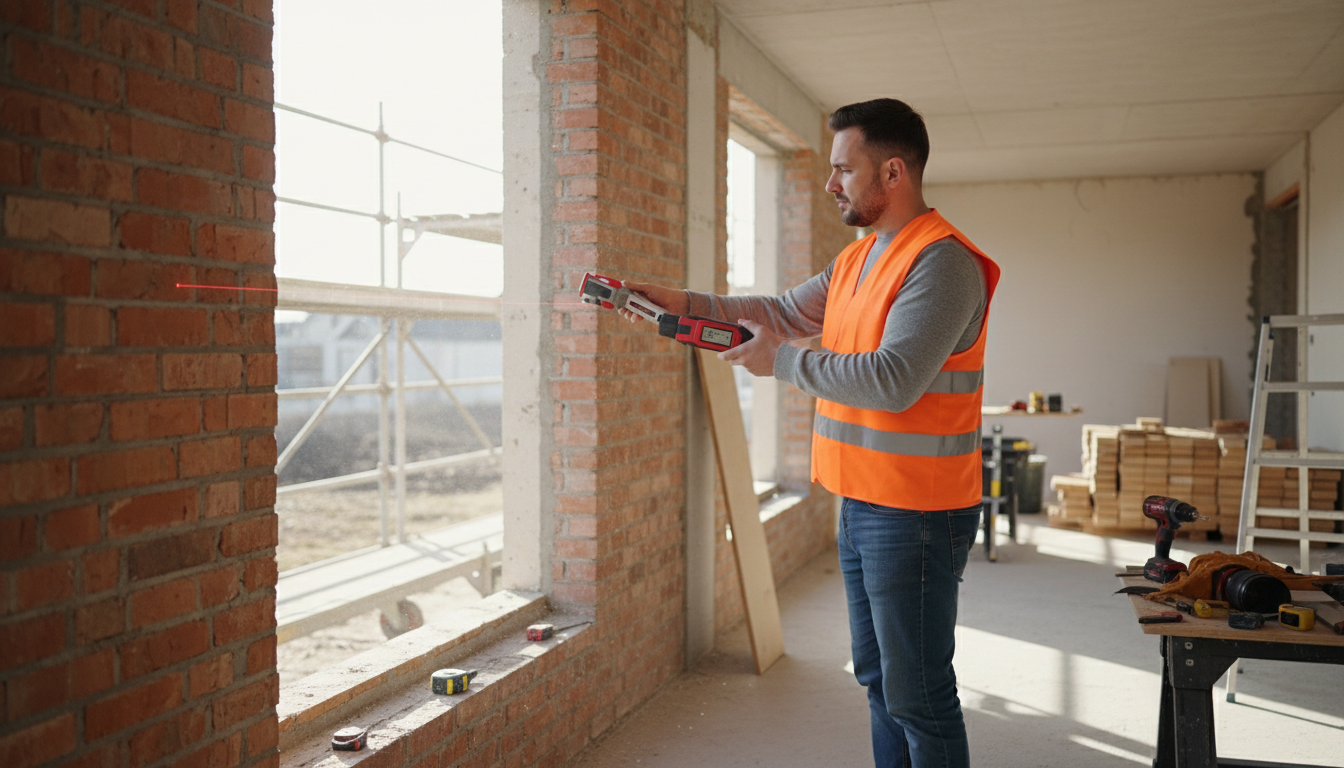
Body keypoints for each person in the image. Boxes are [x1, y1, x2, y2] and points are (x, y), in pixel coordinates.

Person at [619, 98, 1000, 768]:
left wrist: (781, 362)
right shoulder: (857, 262)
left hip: (917, 510)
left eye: (842, 170)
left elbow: (894, 379)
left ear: (892, 173)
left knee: (918, 693)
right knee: (878, 682)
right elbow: (778, 311)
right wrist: (686, 304)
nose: (831, 184)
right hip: (862, 502)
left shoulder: (942, 264)